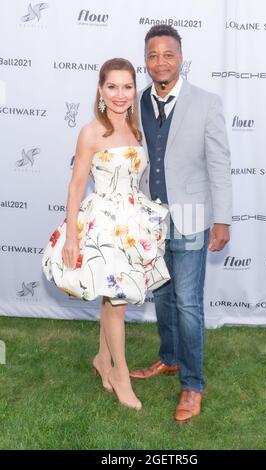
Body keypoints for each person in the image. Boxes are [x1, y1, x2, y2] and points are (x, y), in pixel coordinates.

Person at [42, 58, 170, 411]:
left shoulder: (137, 129)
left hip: (132, 223)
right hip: (104, 224)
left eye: (127, 86)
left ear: (134, 89)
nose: (119, 94)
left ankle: (102, 359)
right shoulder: (90, 132)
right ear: (100, 89)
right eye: (111, 86)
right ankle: (120, 375)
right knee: (116, 304)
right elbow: (75, 187)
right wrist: (71, 237)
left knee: (114, 298)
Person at [129, 25, 232, 423]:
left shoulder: (206, 103)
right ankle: (169, 358)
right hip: (150, 220)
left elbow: (219, 165)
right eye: (153, 55)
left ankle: (192, 384)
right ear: (146, 61)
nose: (160, 62)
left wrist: (221, 219)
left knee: (188, 302)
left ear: (181, 58)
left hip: (191, 217)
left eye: (167, 54)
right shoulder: (136, 102)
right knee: (163, 298)